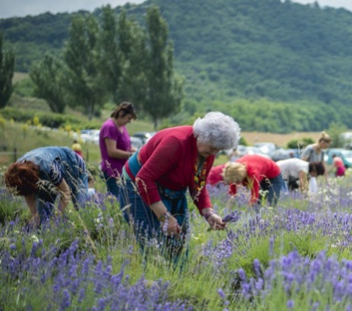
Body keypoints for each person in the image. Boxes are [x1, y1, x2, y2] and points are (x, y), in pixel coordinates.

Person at [120, 111, 239, 261]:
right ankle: (152, 278)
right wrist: (165, 217)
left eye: (219, 150)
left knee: (177, 243)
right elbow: (144, 180)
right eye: (213, 147)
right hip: (138, 184)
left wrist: (209, 213)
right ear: (201, 136)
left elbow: (198, 184)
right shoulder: (176, 142)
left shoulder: (207, 152)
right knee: (151, 241)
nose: (214, 153)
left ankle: (174, 276)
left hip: (170, 187)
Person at [4, 146, 90, 225]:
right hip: (43, 178)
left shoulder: (50, 168)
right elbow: (27, 193)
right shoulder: (19, 171)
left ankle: (92, 195)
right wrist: (34, 215)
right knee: (42, 220)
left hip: (74, 168)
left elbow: (66, 193)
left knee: (81, 209)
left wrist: (57, 216)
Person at [208, 154, 285, 207]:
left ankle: (268, 221)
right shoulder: (234, 169)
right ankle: (257, 221)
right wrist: (230, 204)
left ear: (241, 176)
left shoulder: (253, 173)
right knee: (258, 203)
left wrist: (249, 207)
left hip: (274, 175)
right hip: (261, 173)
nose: (238, 183)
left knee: (271, 201)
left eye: (238, 181)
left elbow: (254, 196)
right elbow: (232, 191)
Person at [99, 102, 137, 199]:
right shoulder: (110, 127)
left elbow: (127, 147)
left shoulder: (122, 127)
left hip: (121, 171)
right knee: (117, 200)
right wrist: (131, 155)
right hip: (112, 171)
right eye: (128, 118)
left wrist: (138, 152)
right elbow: (112, 152)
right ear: (121, 113)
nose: (129, 121)